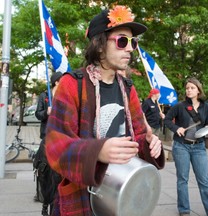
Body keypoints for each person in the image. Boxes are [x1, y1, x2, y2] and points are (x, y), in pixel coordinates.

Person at [45, 5, 165, 215]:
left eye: (132, 42)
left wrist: (149, 144)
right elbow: (55, 146)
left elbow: (136, 138)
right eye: (121, 41)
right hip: (82, 200)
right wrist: (98, 151)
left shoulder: (128, 88)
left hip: (120, 198)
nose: (129, 48)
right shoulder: (72, 84)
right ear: (99, 45)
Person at [164, 77, 208, 216]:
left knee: (204, 180)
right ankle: (184, 209)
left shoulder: (205, 106)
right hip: (181, 146)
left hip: (199, 147)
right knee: (182, 179)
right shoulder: (179, 106)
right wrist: (177, 128)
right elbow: (167, 120)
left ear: (198, 90)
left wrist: (207, 128)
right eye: (187, 88)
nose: (189, 90)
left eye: (192, 88)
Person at [34, 72, 62, 216]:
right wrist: (47, 112)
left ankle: (52, 206)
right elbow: (38, 114)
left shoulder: (64, 95)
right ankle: (45, 203)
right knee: (46, 174)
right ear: (56, 82)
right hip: (47, 138)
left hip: (60, 140)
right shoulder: (45, 96)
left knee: (56, 178)